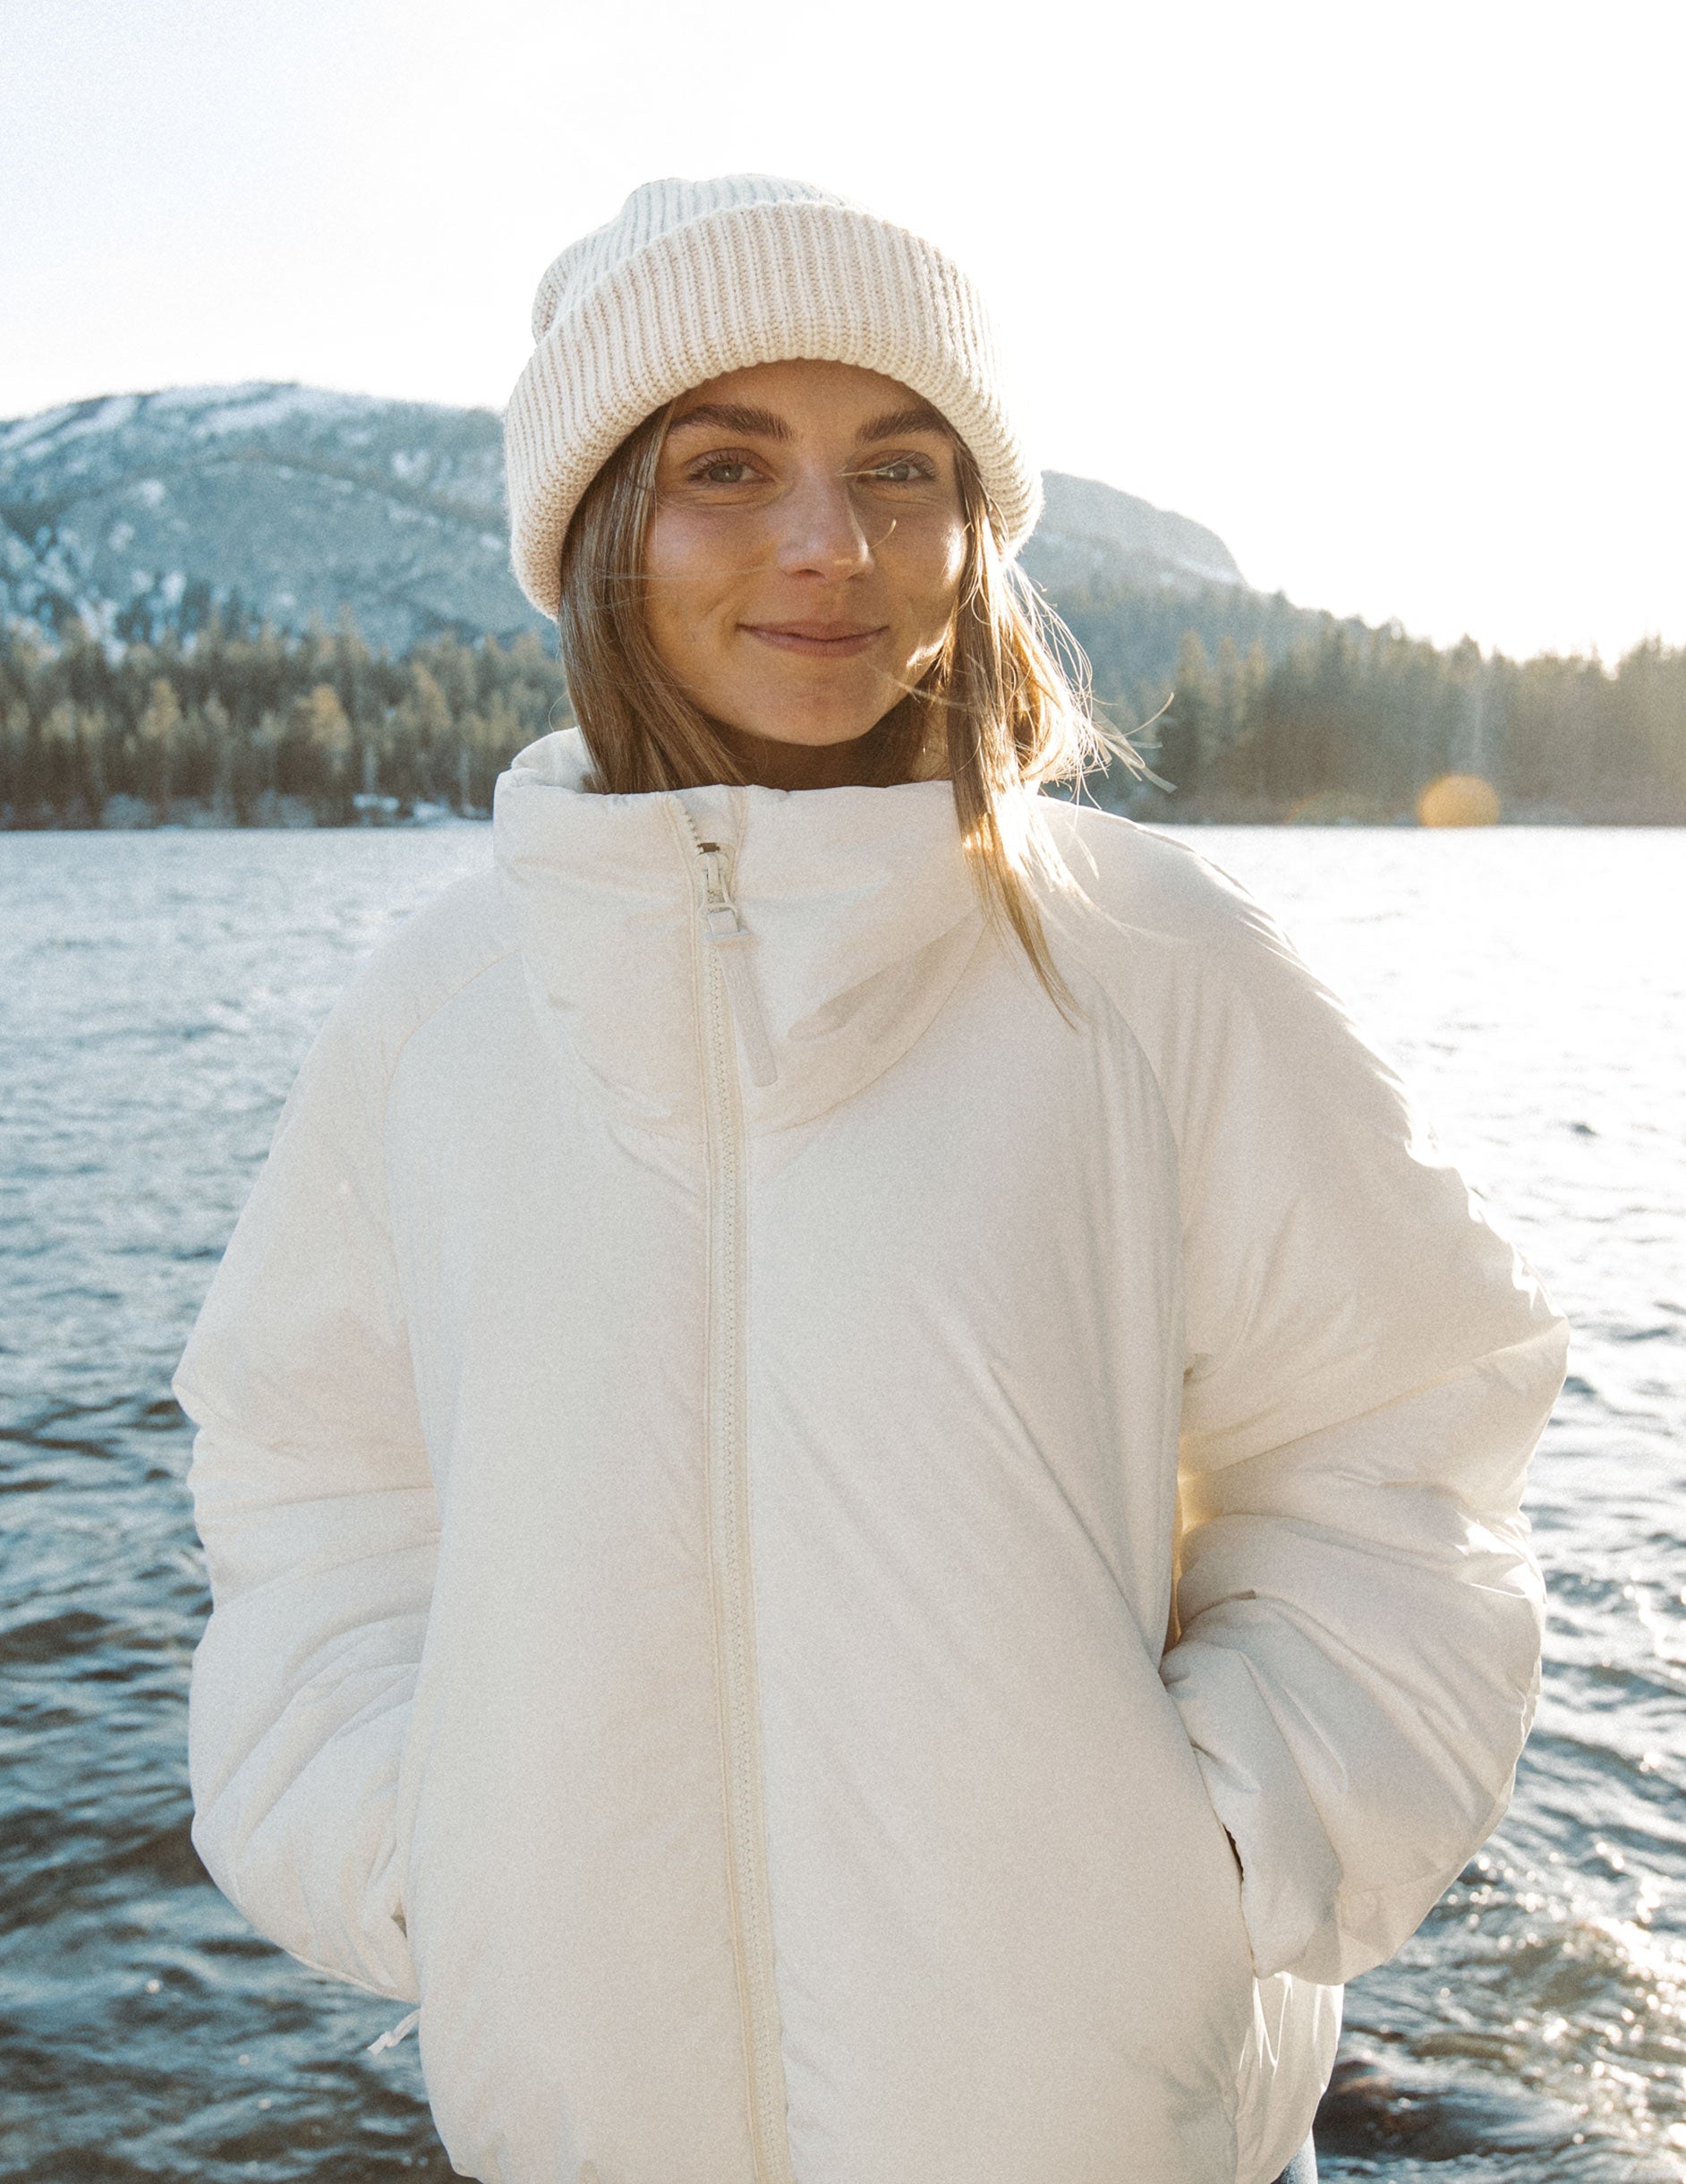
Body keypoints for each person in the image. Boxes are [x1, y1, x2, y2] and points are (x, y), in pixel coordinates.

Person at [175, 175, 1569, 2184]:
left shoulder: (1151, 964)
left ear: (973, 532)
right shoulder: (439, 1011)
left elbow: (1398, 1444)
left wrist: (1213, 1859)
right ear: (595, 529)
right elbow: (314, 1491)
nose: (829, 544)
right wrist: (432, 1850)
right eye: (726, 466)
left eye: (898, 471)